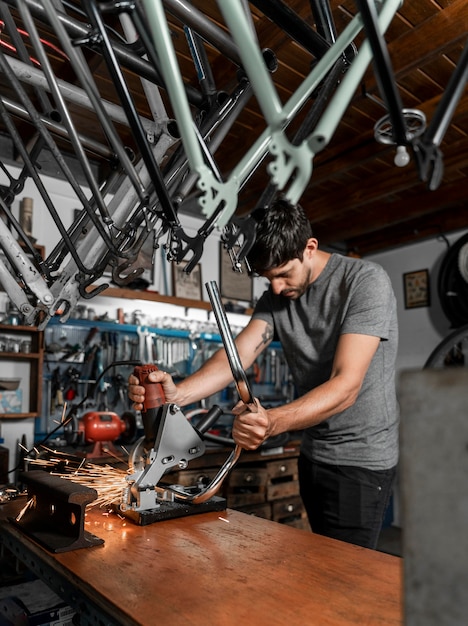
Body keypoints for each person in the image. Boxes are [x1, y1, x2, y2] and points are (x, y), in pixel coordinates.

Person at [128, 199, 399, 549]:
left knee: (349, 578)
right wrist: (178, 393)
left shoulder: (364, 282)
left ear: (310, 248)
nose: (275, 288)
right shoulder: (276, 298)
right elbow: (237, 356)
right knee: (321, 560)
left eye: (284, 274)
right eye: (268, 279)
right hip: (313, 452)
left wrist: (271, 422)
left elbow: (346, 385)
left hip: (361, 460)